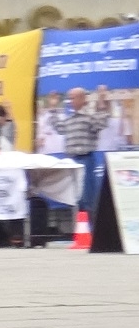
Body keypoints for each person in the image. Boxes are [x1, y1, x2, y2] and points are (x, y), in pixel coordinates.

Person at [55, 84, 109, 235]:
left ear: (82, 98)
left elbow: (102, 123)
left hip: (85, 159)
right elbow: (58, 128)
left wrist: (102, 101)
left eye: (72, 98)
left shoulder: (89, 116)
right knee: (77, 198)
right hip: (71, 161)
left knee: (88, 197)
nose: (70, 101)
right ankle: (81, 233)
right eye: (69, 98)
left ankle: (94, 233)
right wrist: (53, 109)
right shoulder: (70, 118)